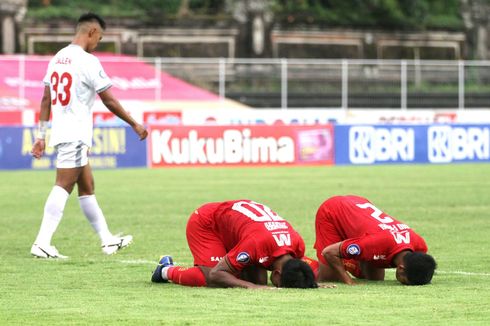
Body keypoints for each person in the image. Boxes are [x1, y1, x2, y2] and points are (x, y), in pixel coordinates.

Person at [30, 13, 148, 259]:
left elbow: (45, 99)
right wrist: (134, 124)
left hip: (64, 132)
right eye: (100, 38)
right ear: (92, 31)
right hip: (74, 133)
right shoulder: (88, 61)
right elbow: (109, 100)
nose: (98, 43)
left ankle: (107, 241)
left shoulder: (58, 58)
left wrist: (41, 136)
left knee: (87, 186)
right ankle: (42, 242)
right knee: (63, 185)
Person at [151, 200, 318, 289]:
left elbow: (305, 266)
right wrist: (251, 287)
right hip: (207, 223)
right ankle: (165, 270)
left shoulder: (297, 244)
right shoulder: (256, 244)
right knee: (212, 278)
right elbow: (217, 274)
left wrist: (311, 281)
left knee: (257, 280)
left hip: (242, 231)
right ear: (276, 274)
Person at [314, 195, 436, 285]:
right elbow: (328, 252)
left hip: (358, 209)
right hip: (333, 211)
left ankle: (351, 259)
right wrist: (348, 281)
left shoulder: (419, 246)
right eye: (405, 282)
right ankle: (303, 263)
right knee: (330, 276)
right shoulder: (375, 244)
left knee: (375, 280)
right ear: (401, 268)